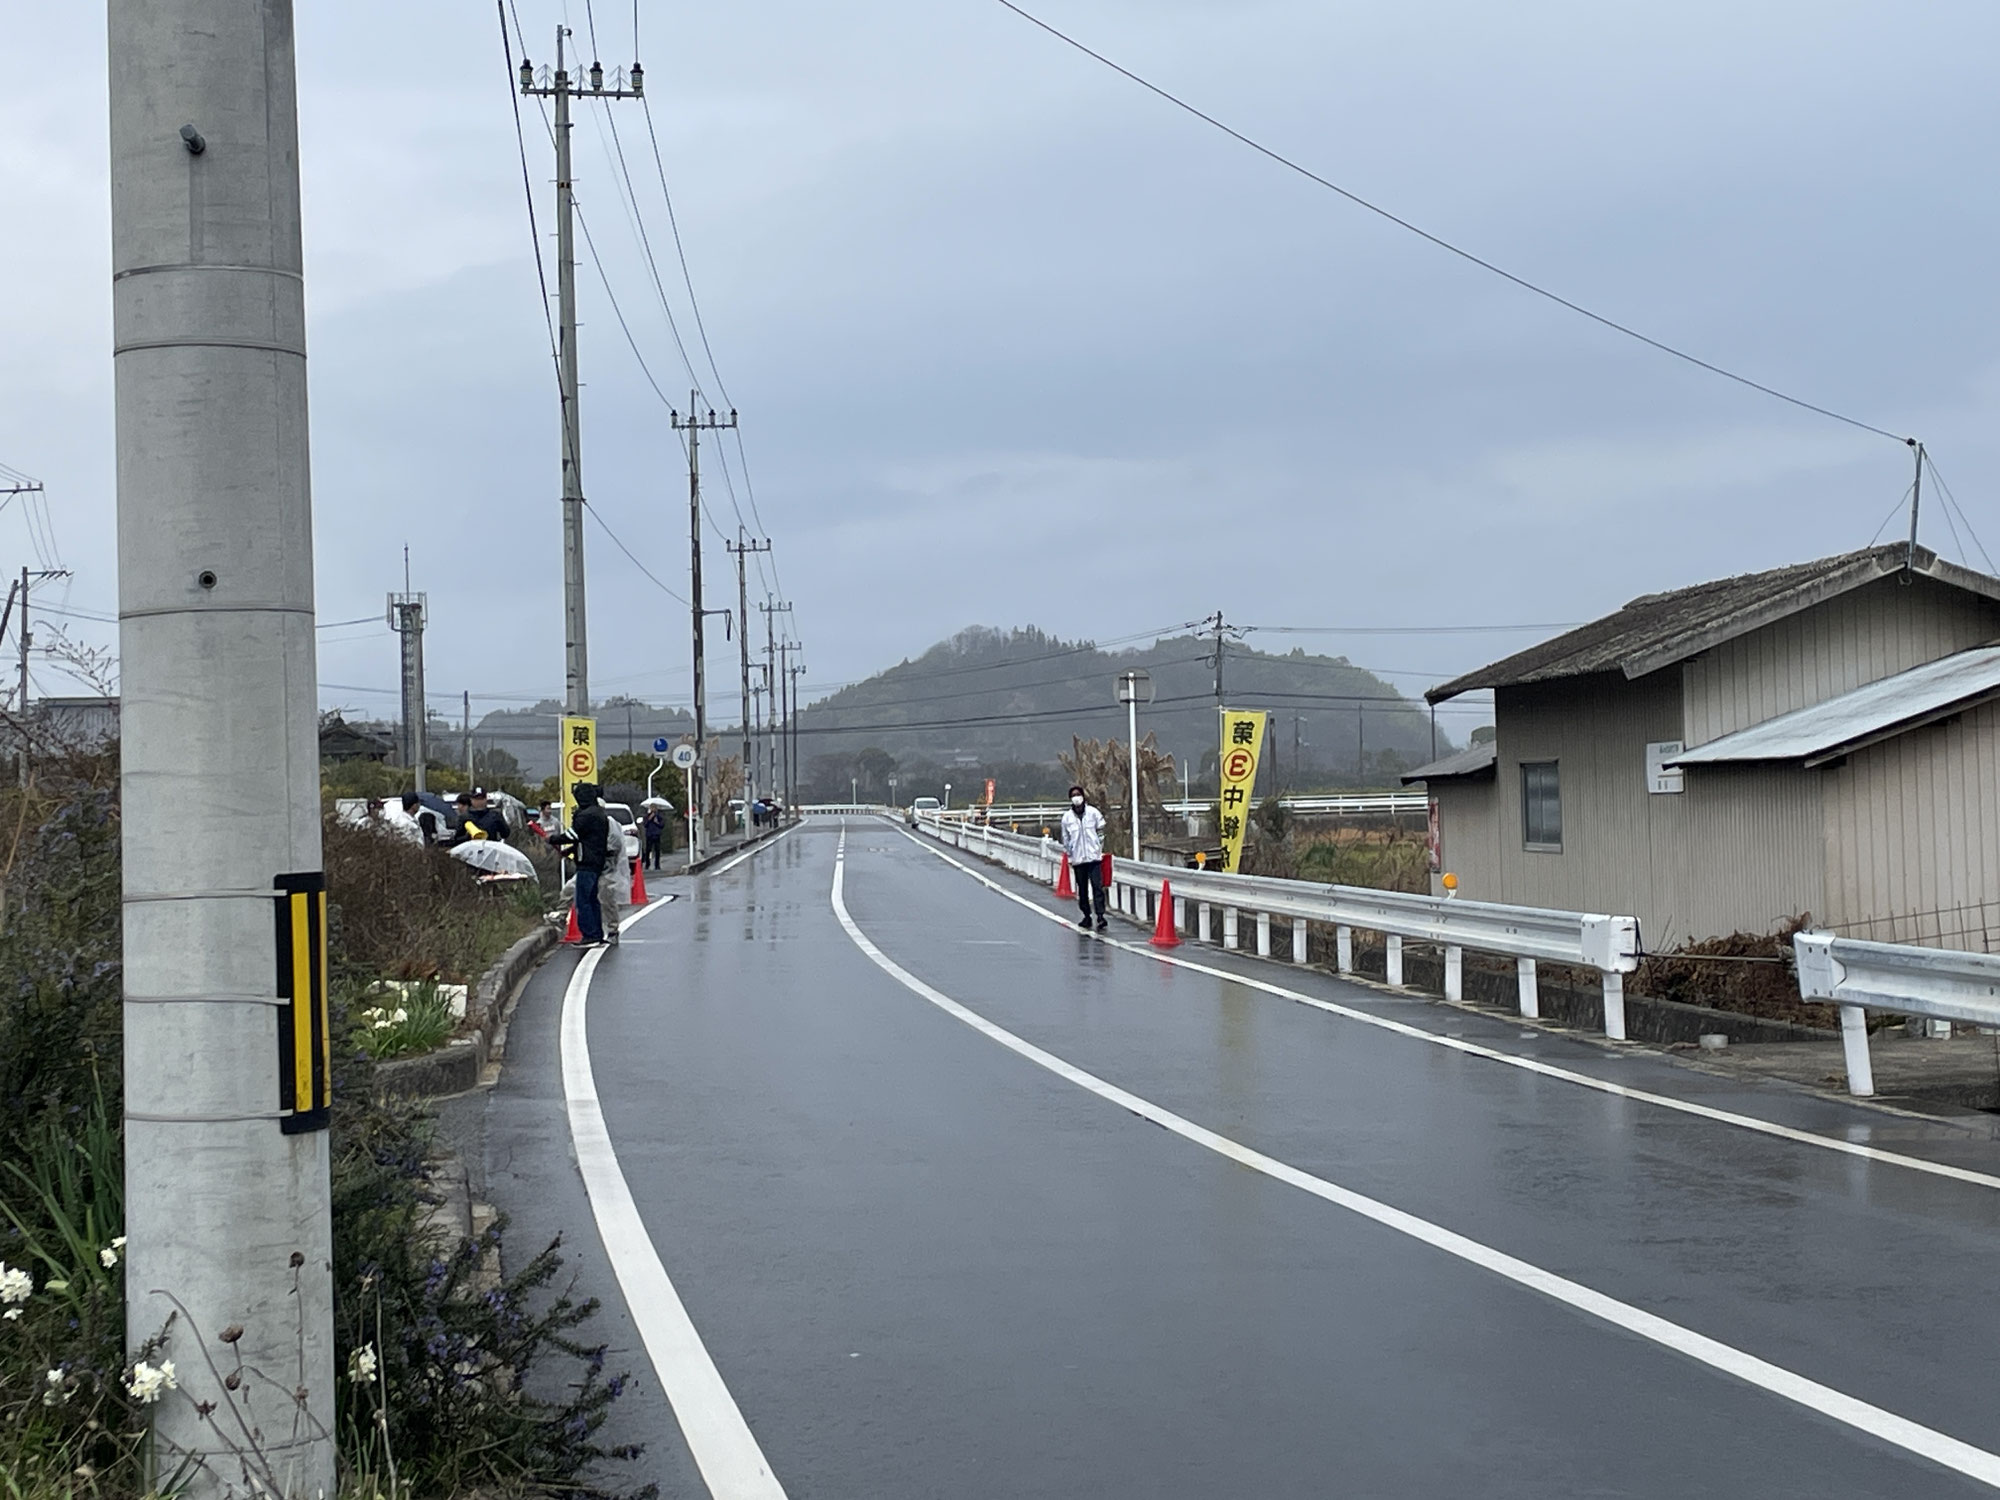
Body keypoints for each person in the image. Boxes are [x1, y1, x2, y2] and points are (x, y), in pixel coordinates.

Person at [551, 782, 614, 948]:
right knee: (592, 899)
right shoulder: (599, 813)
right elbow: (585, 838)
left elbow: (573, 834)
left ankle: (590, 935)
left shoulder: (586, 815)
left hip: (587, 862)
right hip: (597, 861)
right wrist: (570, 850)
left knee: (583, 900)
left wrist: (553, 839)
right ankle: (597, 933)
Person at [1060, 784, 1107, 931]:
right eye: (1073, 795)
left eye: (1078, 794)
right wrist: (1070, 853)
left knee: (1097, 887)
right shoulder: (1067, 818)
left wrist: (1099, 847)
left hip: (1094, 858)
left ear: (1083, 796)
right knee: (1082, 890)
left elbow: (1101, 830)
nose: (1076, 797)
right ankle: (1087, 915)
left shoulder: (1093, 813)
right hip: (1078, 859)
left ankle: (1100, 916)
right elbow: (1065, 838)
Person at [642, 805, 665, 870]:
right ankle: (647, 864)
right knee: (648, 850)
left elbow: (662, 825)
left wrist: (657, 822)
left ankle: (657, 865)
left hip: (656, 835)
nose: (653, 809)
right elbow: (645, 825)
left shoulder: (659, 816)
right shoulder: (646, 816)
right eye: (652, 808)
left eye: (654, 808)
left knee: (657, 850)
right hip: (649, 835)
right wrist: (649, 819)